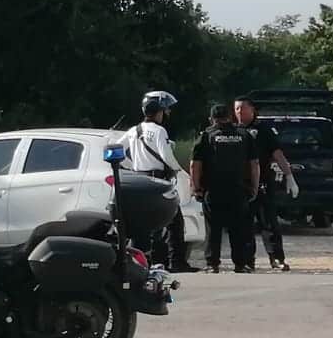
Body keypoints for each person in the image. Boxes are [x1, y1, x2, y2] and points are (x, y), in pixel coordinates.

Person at [117, 91, 200, 273]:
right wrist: (178, 169)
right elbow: (166, 155)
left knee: (147, 223)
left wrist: (131, 166)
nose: (166, 114)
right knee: (173, 221)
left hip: (140, 179)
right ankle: (176, 262)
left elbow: (116, 149)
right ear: (158, 112)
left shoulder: (134, 130)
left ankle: (150, 261)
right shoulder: (159, 131)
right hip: (158, 180)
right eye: (164, 111)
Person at [190, 103, 259, 273]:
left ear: (212, 119)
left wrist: (196, 187)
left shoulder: (206, 136)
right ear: (230, 117)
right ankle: (240, 264)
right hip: (239, 189)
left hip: (213, 190)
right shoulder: (244, 135)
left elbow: (194, 165)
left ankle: (212, 264)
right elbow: (254, 164)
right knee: (238, 228)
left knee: (213, 228)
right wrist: (254, 187)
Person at [234, 96, 299, 271]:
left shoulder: (263, 130)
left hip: (263, 183)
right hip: (242, 185)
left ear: (252, 110)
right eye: (237, 109)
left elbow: (277, 154)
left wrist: (289, 176)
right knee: (244, 224)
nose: (240, 112)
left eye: (243, 108)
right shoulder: (233, 132)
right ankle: (247, 261)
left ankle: (276, 258)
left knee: (268, 222)